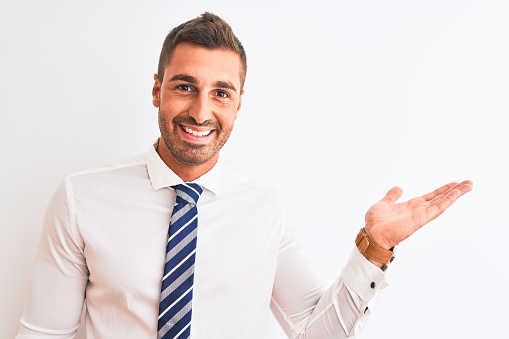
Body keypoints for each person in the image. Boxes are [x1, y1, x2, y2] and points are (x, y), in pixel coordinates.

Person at [16, 12, 473, 339]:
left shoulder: (266, 209)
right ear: (157, 90)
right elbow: (43, 334)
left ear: (238, 103)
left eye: (220, 92)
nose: (200, 111)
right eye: (184, 86)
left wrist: (375, 248)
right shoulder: (81, 198)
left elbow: (315, 333)